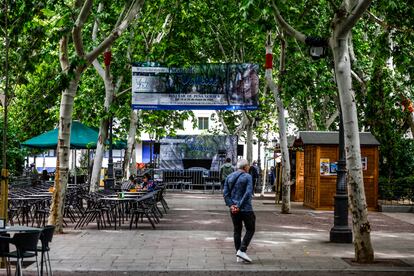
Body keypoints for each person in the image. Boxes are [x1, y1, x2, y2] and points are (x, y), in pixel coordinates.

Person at [223, 159, 255, 263]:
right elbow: (248, 192)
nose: (249, 167)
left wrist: (232, 205)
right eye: (248, 166)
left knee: (237, 230)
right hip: (246, 209)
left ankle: (238, 254)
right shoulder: (248, 176)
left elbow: (225, 193)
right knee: (250, 229)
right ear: (245, 167)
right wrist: (239, 206)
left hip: (233, 209)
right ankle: (242, 250)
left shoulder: (229, 176)